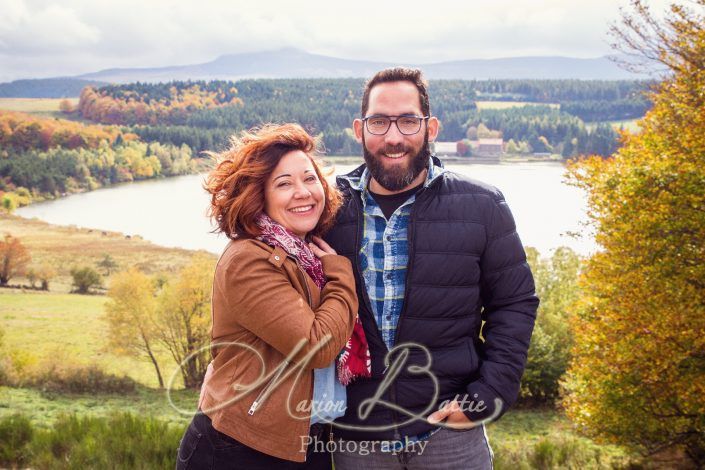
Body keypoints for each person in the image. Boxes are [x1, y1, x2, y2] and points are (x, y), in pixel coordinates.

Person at [324, 68, 540, 469]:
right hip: (357, 436)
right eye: (379, 122)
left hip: (449, 434)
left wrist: (488, 395)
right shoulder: (326, 208)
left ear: (431, 127)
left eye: (408, 121)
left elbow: (514, 304)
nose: (393, 137)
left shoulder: (482, 206)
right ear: (359, 129)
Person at [176, 123, 366, 469]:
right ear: (258, 196)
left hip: (307, 443)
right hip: (241, 448)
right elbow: (317, 346)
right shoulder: (249, 259)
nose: (303, 192)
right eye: (284, 184)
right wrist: (341, 276)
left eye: (310, 179)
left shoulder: (307, 253)